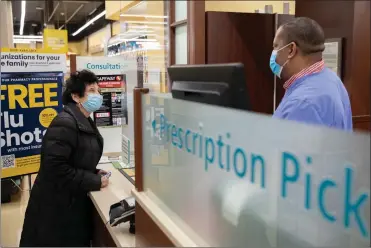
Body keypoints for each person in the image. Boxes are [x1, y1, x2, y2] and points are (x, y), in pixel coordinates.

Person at [20, 70, 109, 247]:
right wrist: (93, 180)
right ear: (76, 96)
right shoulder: (65, 123)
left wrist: (94, 171)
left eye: (98, 91)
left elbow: (74, 158)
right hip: (54, 212)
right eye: (92, 91)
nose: (97, 96)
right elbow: (55, 168)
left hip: (68, 205)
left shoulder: (82, 120)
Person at [270, 17, 352, 130]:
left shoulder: (301, 103)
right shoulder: (331, 79)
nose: (273, 53)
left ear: (291, 49)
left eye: (275, 46)